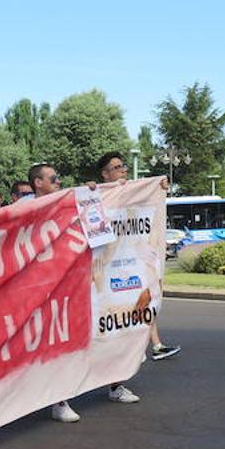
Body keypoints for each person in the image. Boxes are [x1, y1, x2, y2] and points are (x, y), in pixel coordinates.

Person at [27, 163, 139, 424]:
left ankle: (110, 386)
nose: (58, 181)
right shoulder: (24, 209)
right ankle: (55, 399)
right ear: (37, 183)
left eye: (59, 177)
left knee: (94, 336)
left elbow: (101, 229)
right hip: (40, 289)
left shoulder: (73, 201)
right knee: (49, 345)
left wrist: (93, 195)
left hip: (76, 283)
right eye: (53, 178)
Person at [96, 152, 180, 361]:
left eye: (123, 166)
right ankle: (128, 351)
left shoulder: (132, 192)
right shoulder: (97, 196)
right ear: (104, 174)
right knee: (117, 310)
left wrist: (159, 187)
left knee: (147, 295)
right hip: (109, 264)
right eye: (116, 167)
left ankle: (154, 344)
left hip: (133, 257)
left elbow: (150, 199)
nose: (123, 170)